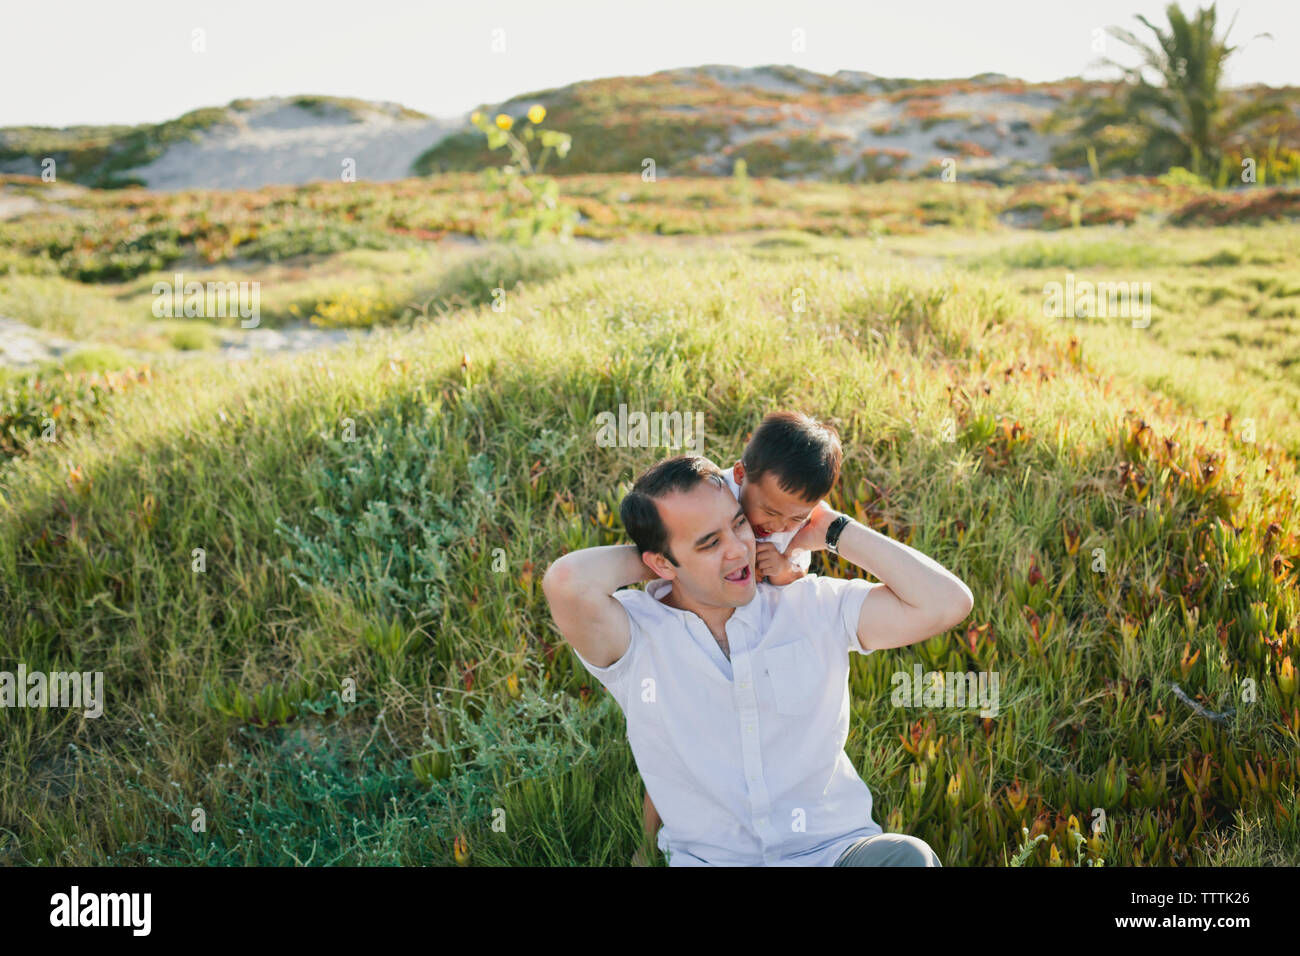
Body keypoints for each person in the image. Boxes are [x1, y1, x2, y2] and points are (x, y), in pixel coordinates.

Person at [541, 452, 973, 866]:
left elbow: (946, 603)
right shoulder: (634, 636)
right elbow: (566, 582)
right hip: (715, 862)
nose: (739, 549)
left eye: (740, 524)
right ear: (659, 563)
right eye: (710, 542)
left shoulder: (811, 605)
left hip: (833, 850)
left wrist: (830, 528)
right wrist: (668, 558)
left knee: (907, 857)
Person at [641, 411, 844, 844]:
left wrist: (789, 566)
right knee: (669, 740)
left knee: (738, 740)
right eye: (768, 512)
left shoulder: (792, 515)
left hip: (752, 629)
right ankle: (646, 840)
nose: (777, 526)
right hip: (688, 620)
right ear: (739, 475)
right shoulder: (714, 492)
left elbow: (801, 548)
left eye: (795, 518)